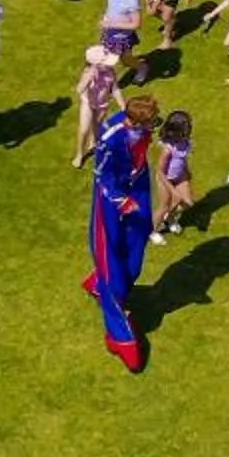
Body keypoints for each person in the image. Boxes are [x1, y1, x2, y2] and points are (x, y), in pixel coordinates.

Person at [85, 94, 159, 371]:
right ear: (135, 121)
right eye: (149, 124)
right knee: (111, 260)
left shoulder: (142, 130)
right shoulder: (110, 137)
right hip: (111, 200)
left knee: (136, 250)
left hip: (137, 185)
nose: (152, 129)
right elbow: (102, 176)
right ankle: (120, 337)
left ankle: (100, 285)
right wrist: (120, 201)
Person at [71, 44, 121, 167]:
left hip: (102, 104)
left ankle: (93, 142)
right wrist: (89, 76)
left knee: (97, 125)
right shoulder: (88, 73)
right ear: (96, 64)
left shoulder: (110, 71)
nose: (110, 64)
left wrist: (122, 105)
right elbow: (79, 89)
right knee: (83, 130)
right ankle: (79, 154)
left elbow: (115, 89)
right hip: (88, 104)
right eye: (106, 62)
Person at [152, 109, 196, 242]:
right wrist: (172, 190)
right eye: (184, 132)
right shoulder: (168, 149)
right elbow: (160, 172)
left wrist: (186, 171)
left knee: (187, 203)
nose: (187, 134)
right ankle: (152, 230)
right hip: (165, 179)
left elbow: (183, 159)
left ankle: (169, 219)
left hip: (180, 176)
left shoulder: (185, 143)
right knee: (164, 206)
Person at [97, 0, 144, 80]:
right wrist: (105, 18)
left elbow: (136, 24)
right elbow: (111, 7)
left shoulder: (132, 0)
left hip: (123, 36)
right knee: (108, 60)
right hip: (110, 32)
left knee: (125, 60)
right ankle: (108, 85)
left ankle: (142, 67)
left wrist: (112, 24)